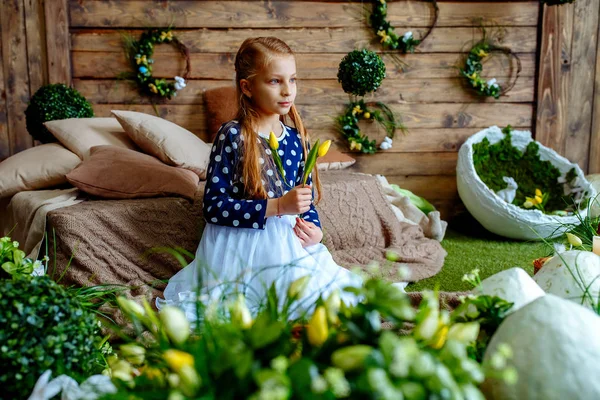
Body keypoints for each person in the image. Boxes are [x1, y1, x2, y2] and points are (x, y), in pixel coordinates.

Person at [157, 37, 362, 320]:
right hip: (239, 245)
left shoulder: (295, 139)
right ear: (247, 87)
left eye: (292, 80)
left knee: (326, 301)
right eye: (275, 81)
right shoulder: (232, 136)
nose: (287, 90)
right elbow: (214, 208)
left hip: (287, 241)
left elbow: (304, 198)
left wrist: (315, 231)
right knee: (253, 311)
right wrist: (277, 206)